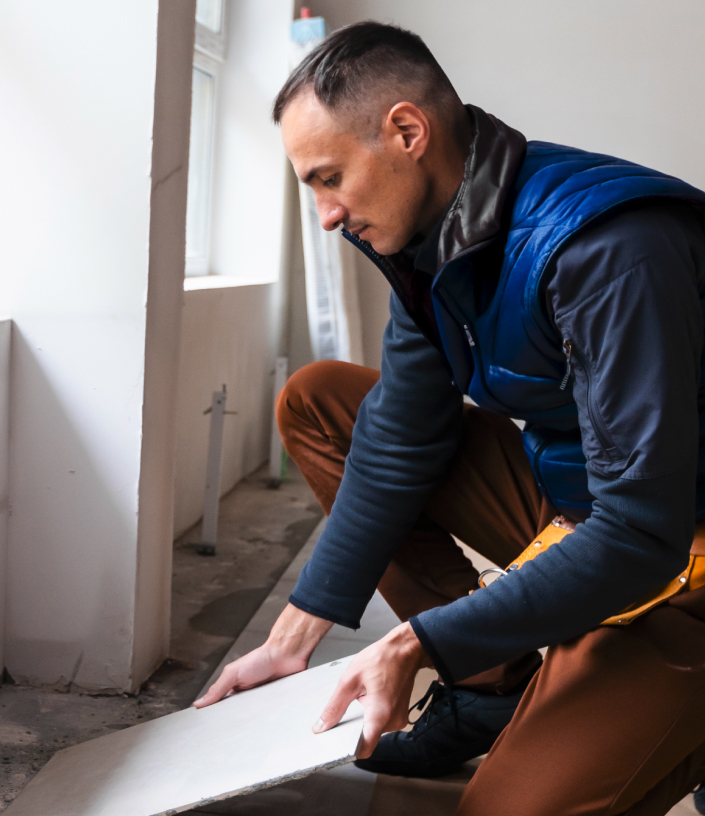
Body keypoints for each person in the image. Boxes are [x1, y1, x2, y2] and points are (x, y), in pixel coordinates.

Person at [194, 21, 705, 816]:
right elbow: (397, 438)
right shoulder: (428, 243)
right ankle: (493, 692)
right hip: (591, 509)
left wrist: (418, 642)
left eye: (330, 178)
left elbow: (642, 531)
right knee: (323, 400)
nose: (327, 214)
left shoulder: (608, 251)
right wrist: (294, 634)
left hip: (671, 546)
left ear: (405, 131)